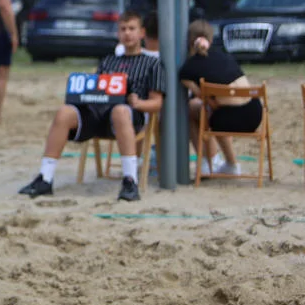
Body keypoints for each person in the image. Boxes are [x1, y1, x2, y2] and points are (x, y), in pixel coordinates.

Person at [18, 11, 164, 202]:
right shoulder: (108, 61)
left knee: (119, 111)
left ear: (142, 33)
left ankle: (130, 180)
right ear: (117, 33)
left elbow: (157, 102)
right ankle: (45, 178)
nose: (127, 33)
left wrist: (139, 103)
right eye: (123, 29)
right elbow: (95, 89)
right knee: (64, 112)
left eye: (132, 29)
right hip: (98, 113)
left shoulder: (152, 63)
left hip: (128, 117)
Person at [179, 20, 253, 178]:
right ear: (211, 39)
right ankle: (231, 163)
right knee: (219, 108)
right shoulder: (226, 58)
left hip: (225, 121)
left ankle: (207, 161)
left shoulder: (188, 68)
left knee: (192, 109)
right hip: (255, 116)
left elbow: (203, 98)